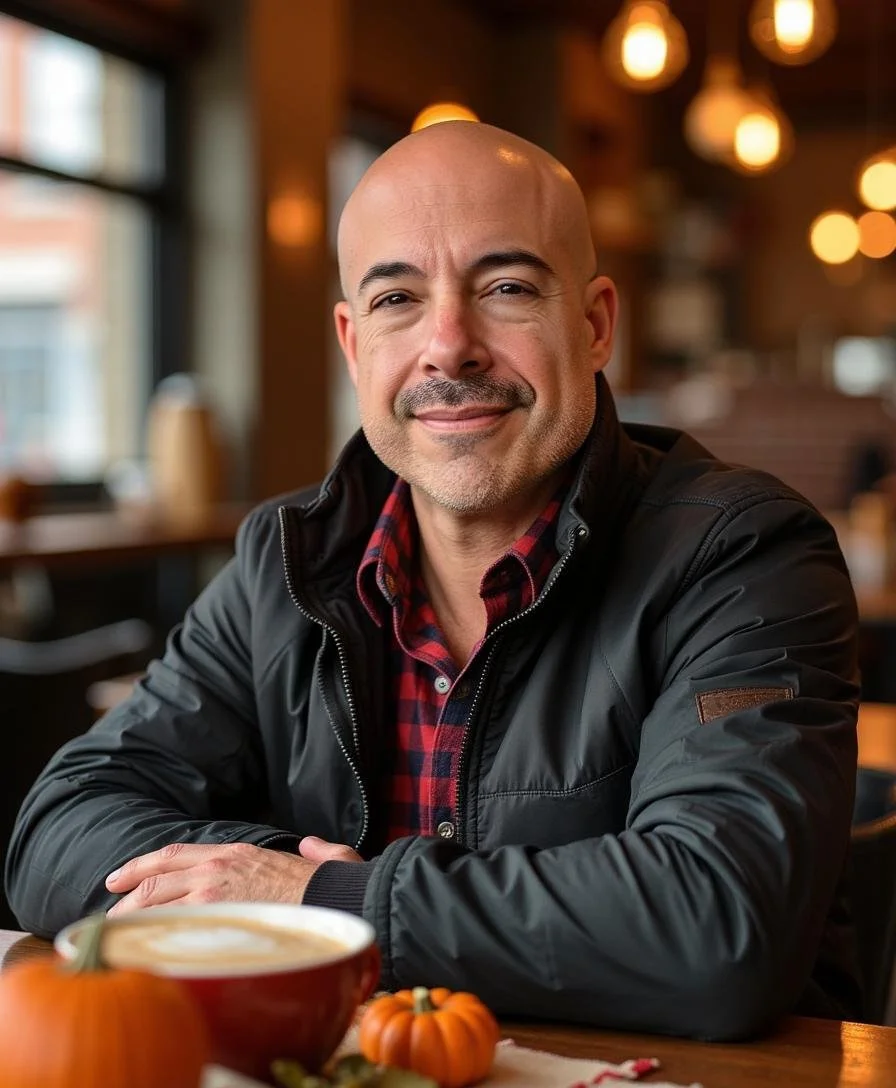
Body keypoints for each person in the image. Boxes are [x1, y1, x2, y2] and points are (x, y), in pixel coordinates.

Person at [5, 121, 861, 1040]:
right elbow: (60, 824)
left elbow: (718, 926)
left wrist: (327, 901)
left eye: (506, 288)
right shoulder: (286, 559)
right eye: (397, 299)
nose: (448, 345)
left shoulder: (742, 552)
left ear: (597, 322)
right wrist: (253, 883)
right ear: (352, 342)